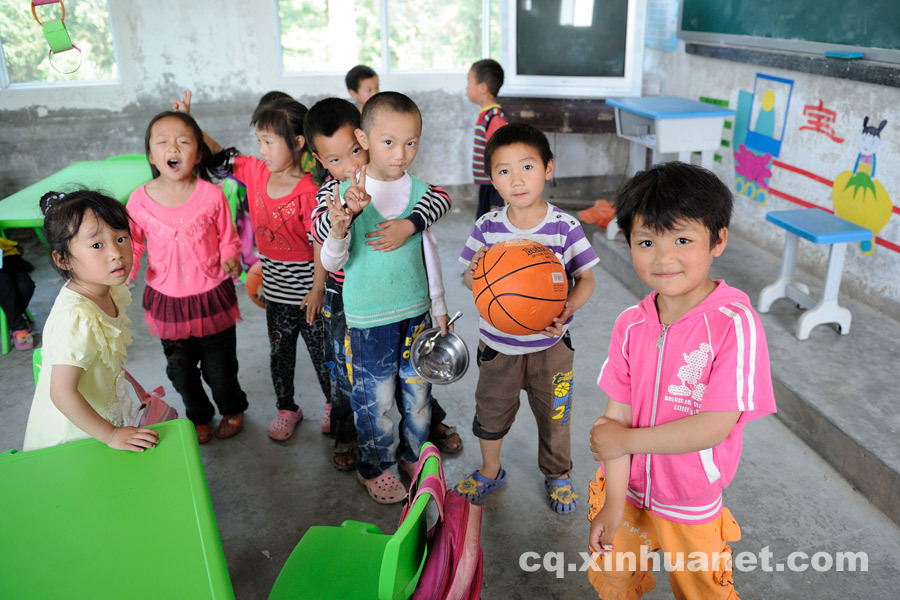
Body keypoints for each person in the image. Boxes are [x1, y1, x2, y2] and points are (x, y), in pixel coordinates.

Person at [587, 162, 777, 599]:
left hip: (690, 498)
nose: (663, 257)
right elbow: (614, 422)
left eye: (683, 240)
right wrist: (613, 504)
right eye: (647, 241)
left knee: (702, 590)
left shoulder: (734, 324)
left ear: (719, 241)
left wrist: (625, 442)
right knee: (614, 581)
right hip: (626, 491)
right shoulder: (630, 324)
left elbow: (714, 425)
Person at [305, 96, 463, 470]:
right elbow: (324, 242)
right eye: (389, 142)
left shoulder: (416, 189)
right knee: (366, 390)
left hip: (412, 308)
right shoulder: (335, 195)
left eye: (410, 143)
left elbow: (439, 203)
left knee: (415, 390)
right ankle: (370, 458)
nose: (352, 165)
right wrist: (343, 221)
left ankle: (416, 452)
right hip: (356, 306)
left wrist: (410, 224)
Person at [456, 123, 599, 514]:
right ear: (493, 180)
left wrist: (567, 306)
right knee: (490, 411)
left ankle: (558, 473)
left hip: (551, 347)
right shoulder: (488, 226)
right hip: (498, 346)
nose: (516, 179)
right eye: (504, 171)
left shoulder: (563, 227)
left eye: (527, 167)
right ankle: (490, 469)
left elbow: (586, 277)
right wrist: (493, 288)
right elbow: (468, 274)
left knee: (556, 414)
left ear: (548, 169)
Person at [173, 92, 332, 443]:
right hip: (275, 291)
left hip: (309, 293)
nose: (262, 149)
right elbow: (218, 156)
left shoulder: (309, 190)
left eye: (269, 142)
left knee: (324, 355)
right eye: (259, 141)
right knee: (280, 354)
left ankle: (333, 404)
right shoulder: (256, 172)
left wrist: (318, 288)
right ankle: (287, 407)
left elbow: (321, 244)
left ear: (298, 142)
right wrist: (190, 123)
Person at [128, 111, 249, 444]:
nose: (174, 148)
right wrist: (125, 270)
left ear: (197, 153)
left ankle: (233, 407)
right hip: (167, 300)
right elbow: (134, 243)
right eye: (163, 142)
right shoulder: (139, 200)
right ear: (152, 156)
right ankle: (198, 415)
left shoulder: (211, 196)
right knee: (180, 371)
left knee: (220, 369)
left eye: (184, 141)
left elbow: (229, 236)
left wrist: (230, 257)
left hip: (211, 295)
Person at [23, 190, 159, 453]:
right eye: (97, 245)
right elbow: (62, 394)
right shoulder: (75, 317)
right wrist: (110, 435)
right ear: (62, 259)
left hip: (96, 419)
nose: (116, 253)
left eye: (121, 238)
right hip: (72, 437)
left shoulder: (107, 289)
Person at [466, 58, 508, 219]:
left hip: (495, 185)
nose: (466, 87)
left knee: (496, 221)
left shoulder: (494, 116)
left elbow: (501, 151)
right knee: (484, 220)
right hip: (487, 182)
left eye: (469, 82)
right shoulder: (486, 114)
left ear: (483, 88)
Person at [0, 236, 36, 350]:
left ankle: (11, 319)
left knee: (26, 285)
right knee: (4, 283)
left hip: (5, 256)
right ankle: (18, 326)